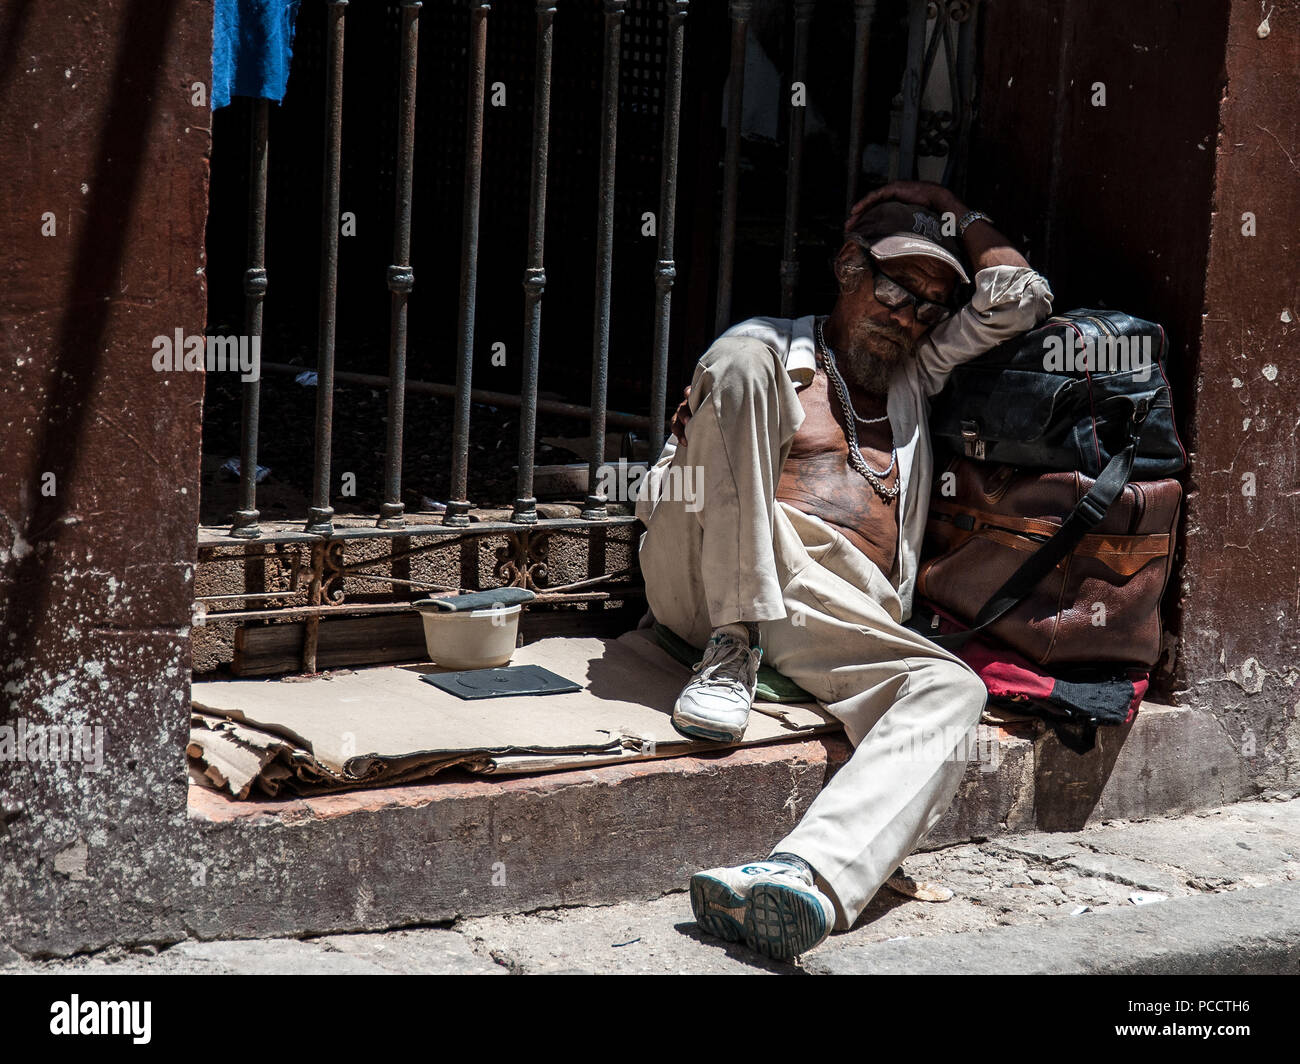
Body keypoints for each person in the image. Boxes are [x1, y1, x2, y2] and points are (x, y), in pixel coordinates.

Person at [633, 180, 1054, 961]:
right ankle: (732, 644)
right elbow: (661, 503)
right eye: (896, 288)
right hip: (708, 579)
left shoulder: (914, 376)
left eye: (931, 306)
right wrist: (696, 440)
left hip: (828, 611)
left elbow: (1020, 297)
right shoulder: (771, 358)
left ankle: (804, 877)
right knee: (737, 355)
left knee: (951, 686)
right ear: (848, 269)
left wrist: (951, 206)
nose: (911, 315)